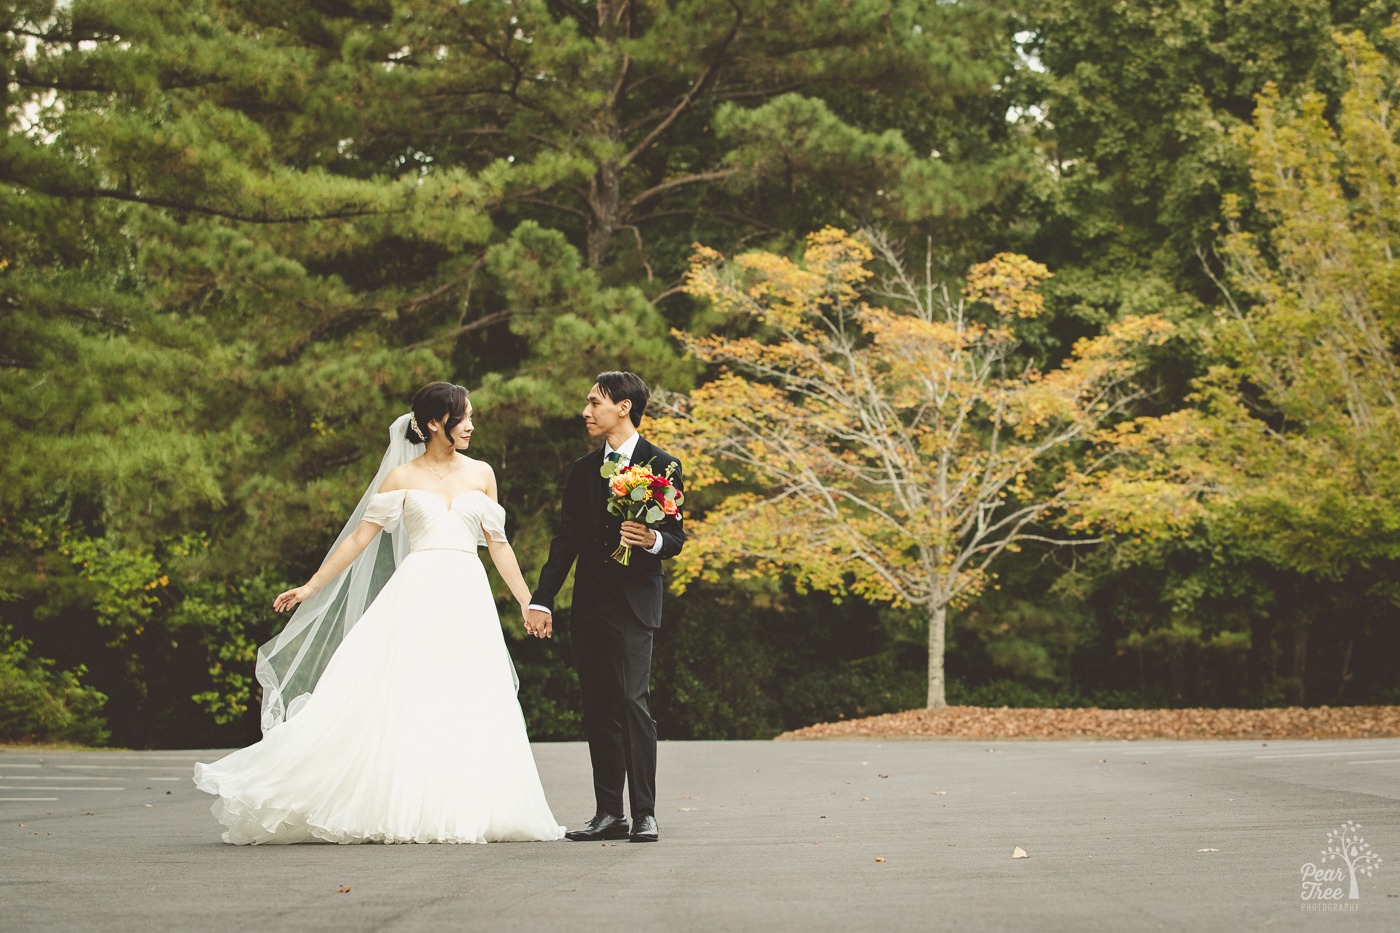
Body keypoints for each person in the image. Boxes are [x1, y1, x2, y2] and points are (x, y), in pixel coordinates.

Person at [193, 382, 564, 845]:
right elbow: (357, 539)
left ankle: (467, 806)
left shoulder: (483, 473)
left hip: (467, 596)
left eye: (471, 417)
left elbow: (500, 546)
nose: (470, 425)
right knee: (409, 694)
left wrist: (529, 601)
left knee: (468, 694)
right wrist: (311, 586)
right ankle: (403, 805)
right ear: (434, 423)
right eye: (463, 417)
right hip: (419, 592)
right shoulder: (401, 478)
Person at [526, 371, 685, 844]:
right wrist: (542, 599)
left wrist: (652, 538)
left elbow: (676, 537)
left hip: (635, 606)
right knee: (598, 708)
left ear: (624, 408)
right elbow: (566, 540)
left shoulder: (664, 465)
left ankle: (645, 813)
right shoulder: (581, 471)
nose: (586, 411)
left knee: (633, 704)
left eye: (595, 402)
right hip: (589, 607)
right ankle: (608, 814)